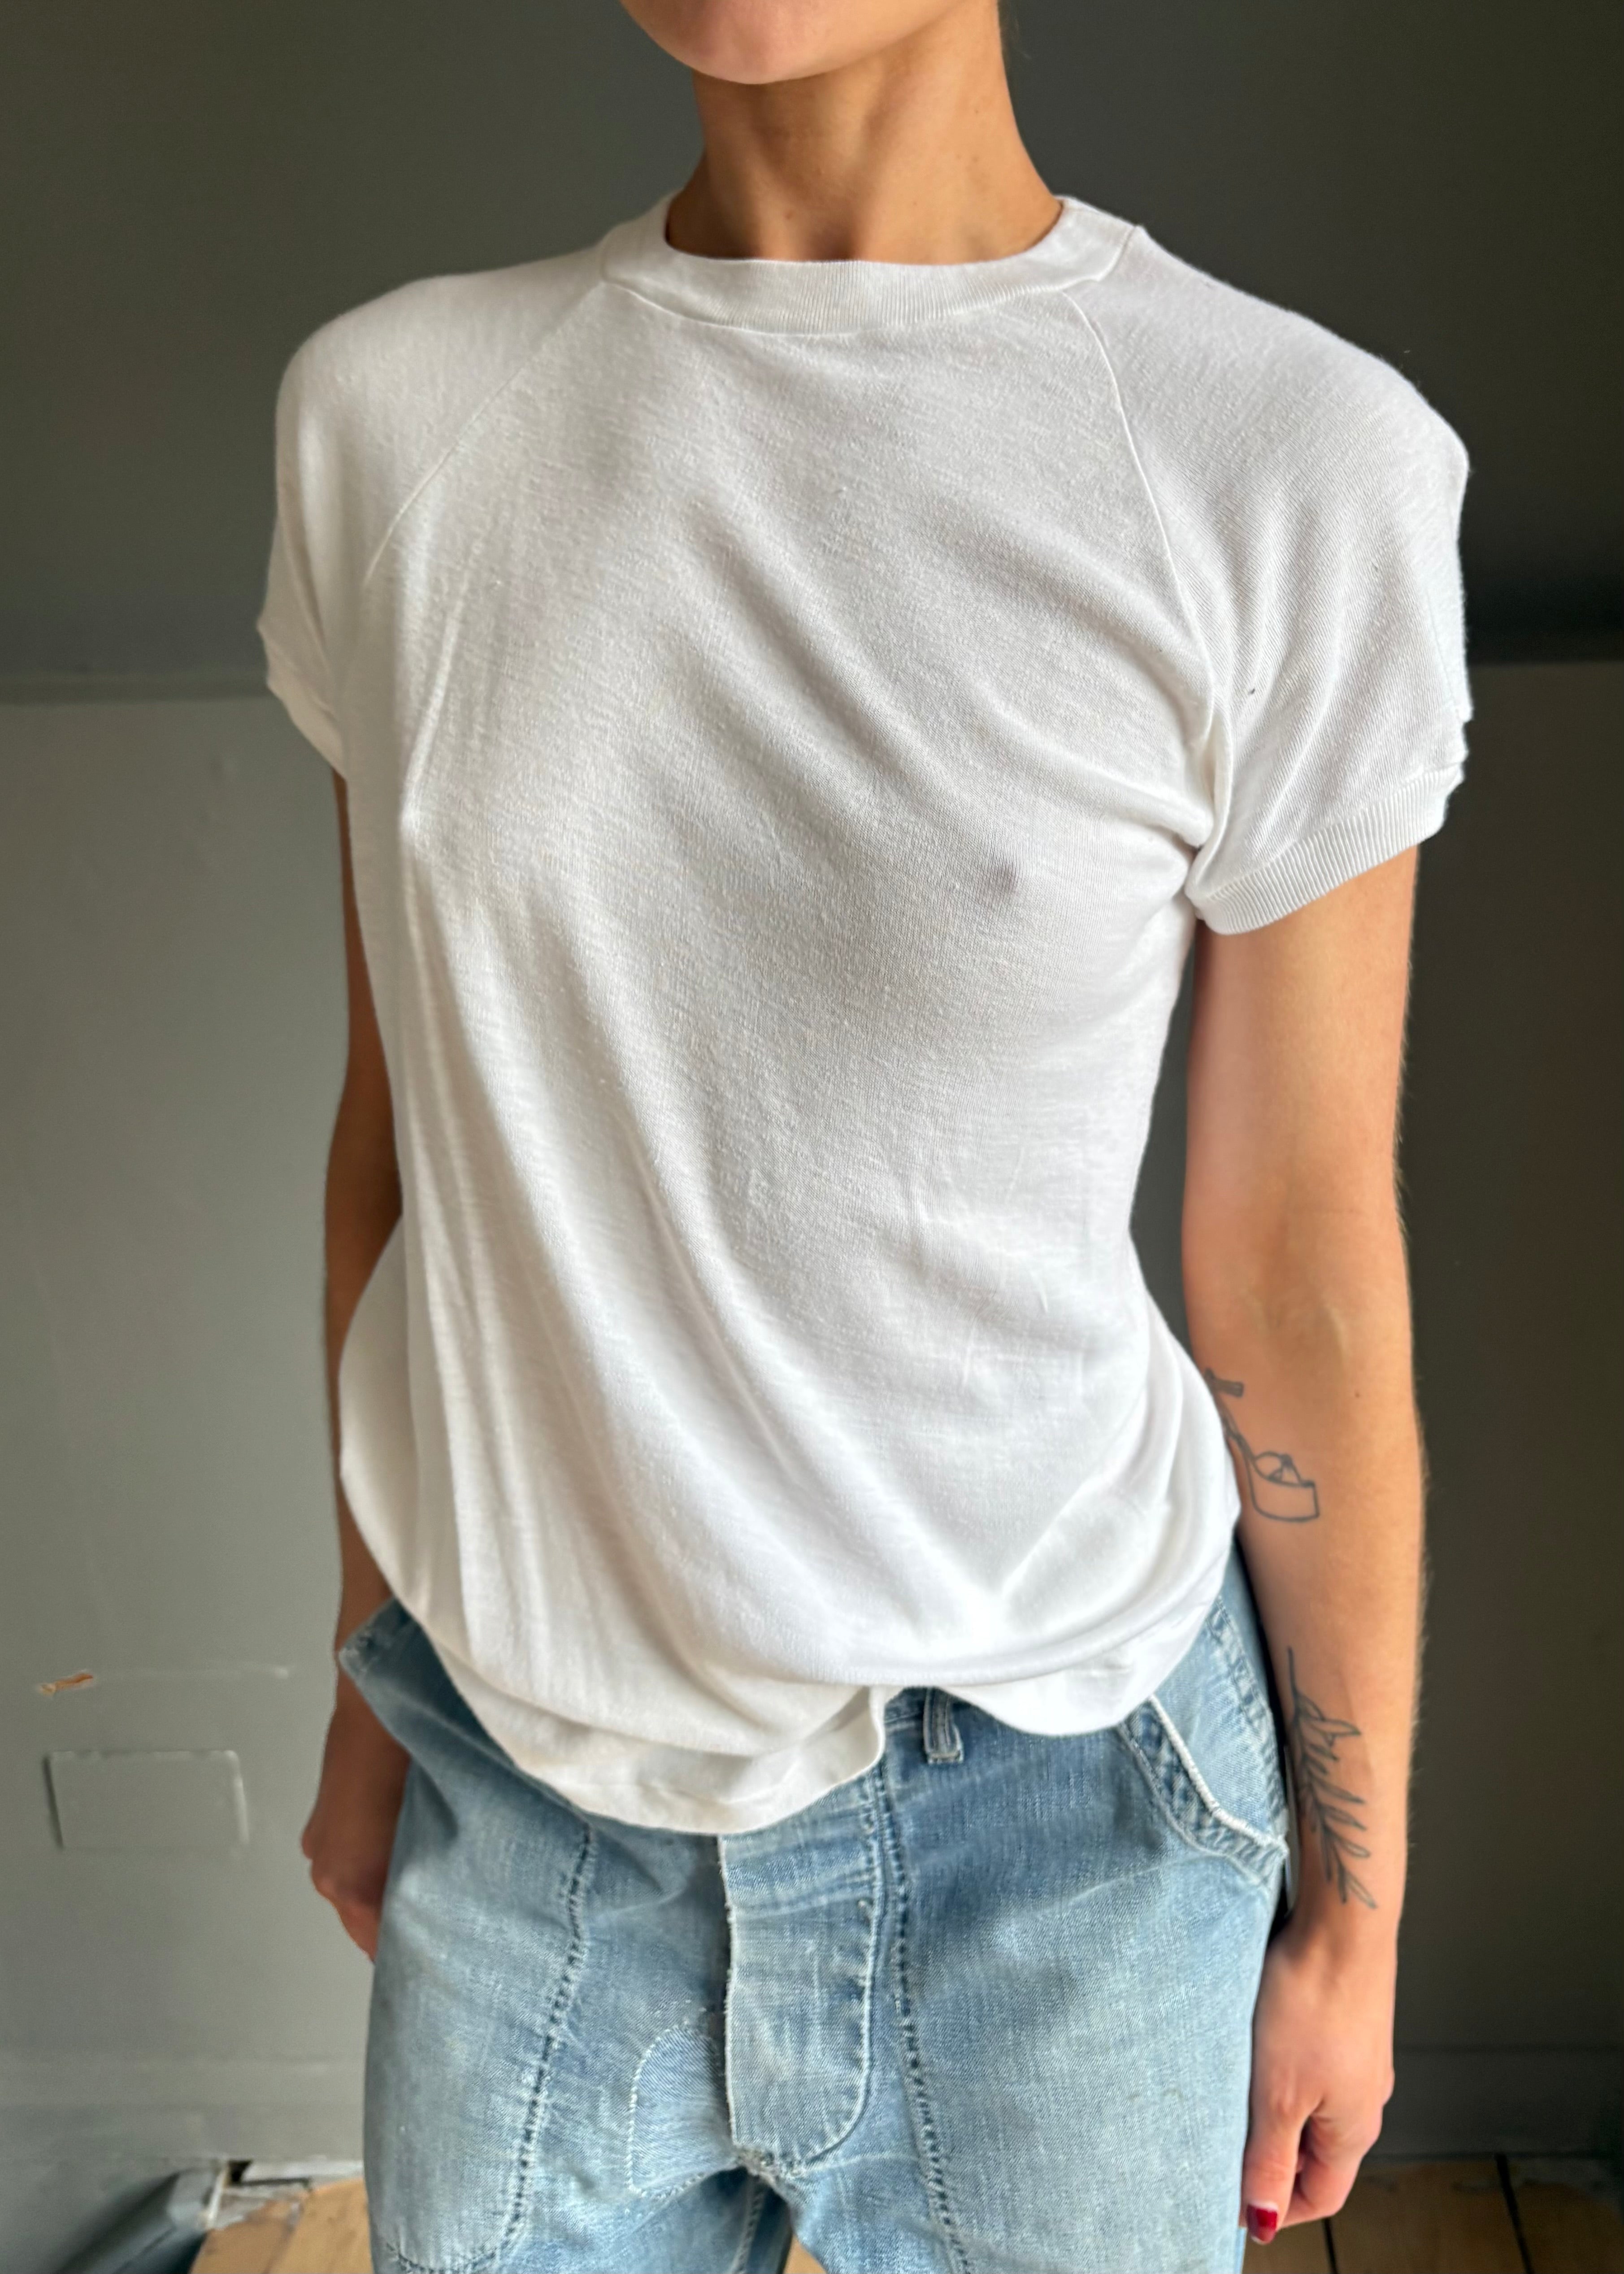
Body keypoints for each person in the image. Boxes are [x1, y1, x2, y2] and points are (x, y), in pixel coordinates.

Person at [258, 0, 1471, 2266]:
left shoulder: (1288, 459)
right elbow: (404, 1156)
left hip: (1069, 1823)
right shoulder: (390, 418)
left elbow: (1299, 1262)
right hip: (526, 1804)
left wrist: (1355, 1910)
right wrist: (367, 1674)